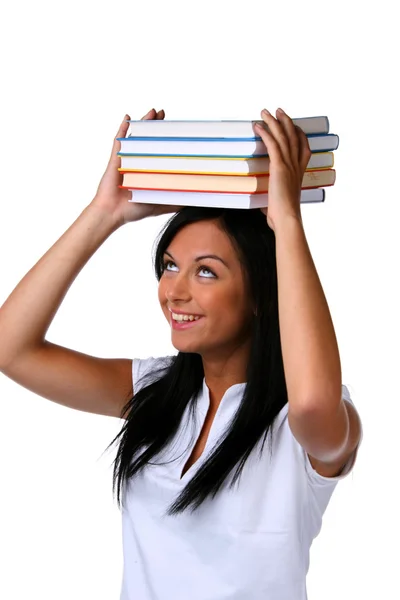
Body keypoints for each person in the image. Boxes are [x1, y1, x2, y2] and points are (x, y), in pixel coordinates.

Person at [0, 107, 363, 600]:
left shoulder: (302, 424)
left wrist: (287, 224)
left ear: (261, 294)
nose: (175, 291)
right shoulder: (155, 392)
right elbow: (10, 347)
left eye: (206, 271)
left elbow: (314, 404)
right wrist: (103, 214)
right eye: (170, 266)